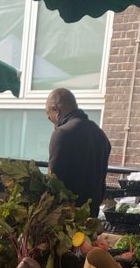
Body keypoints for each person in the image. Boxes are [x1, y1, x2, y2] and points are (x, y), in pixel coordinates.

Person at [46, 88, 111, 217]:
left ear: (55, 109)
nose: (50, 120)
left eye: (49, 116)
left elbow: (53, 182)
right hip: (91, 216)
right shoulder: (100, 135)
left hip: (66, 218)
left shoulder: (61, 133)